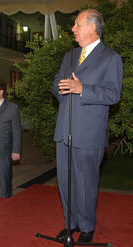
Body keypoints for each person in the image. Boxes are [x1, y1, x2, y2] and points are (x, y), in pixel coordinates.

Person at [52, 9, 123, 243]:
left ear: (92, 27)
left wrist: (83, 89)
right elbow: (57, 83)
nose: (73, 28)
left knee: (86, 184)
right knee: (65, 182)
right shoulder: (70, 55)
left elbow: (113, 94)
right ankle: (70, 224)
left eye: (77, 24)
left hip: (89, 134)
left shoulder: (110, 58)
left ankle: (87, 227)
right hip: (64, 131)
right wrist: (61, 87)